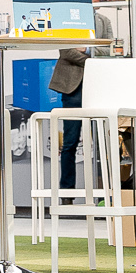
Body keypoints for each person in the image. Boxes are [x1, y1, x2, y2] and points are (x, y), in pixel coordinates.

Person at [48, 42, 89, 195]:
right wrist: (93, 59)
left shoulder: (102, 26)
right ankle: (67, 193)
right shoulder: (68, 26)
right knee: (70, 142)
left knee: (104, 140)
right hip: (73, 90)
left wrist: (87, 49)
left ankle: (111, 191)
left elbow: (109, 48)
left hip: (100, 83)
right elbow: (66, 51)